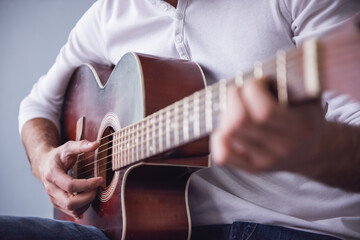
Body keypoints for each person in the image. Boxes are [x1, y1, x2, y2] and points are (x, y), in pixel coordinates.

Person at [1, 0, 359, 239]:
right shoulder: (109, 13)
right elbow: (36, 107)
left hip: (299, 229)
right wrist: (46, 161)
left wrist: (311, 148)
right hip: (133, 230)